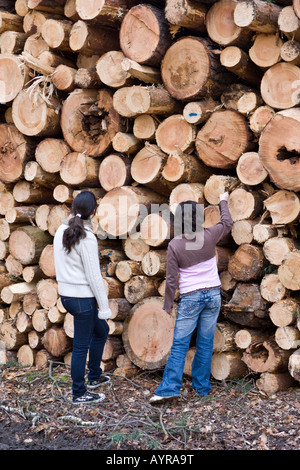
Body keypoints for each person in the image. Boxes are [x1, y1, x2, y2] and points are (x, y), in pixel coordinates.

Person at [150, 192, 233, 404]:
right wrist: (223, 199)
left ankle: (169, 389)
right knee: (205, 344)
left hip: (191, 298)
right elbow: (227, 222)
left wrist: (168, 304)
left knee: (180, 345)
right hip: (213, 295)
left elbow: (171, 279)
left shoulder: (175, 245)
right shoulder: (209, 235)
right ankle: (202, 387)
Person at [53, 190, 112, 405]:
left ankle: (94, 376)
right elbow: (94, 277)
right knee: (80, 347)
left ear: (73, 208)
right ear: (93, 212)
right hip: (82, 300)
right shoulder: (87, 238)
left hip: (67, 296)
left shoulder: (60, 230)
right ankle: (79, 392)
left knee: (102, 330)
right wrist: (104, 307)